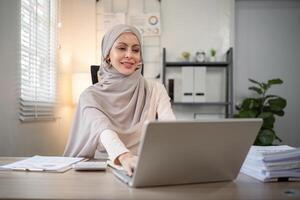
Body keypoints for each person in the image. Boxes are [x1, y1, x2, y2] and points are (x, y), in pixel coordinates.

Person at [63, 24, 175, 176]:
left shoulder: (155, 89)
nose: (129, 55)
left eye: (135, 50)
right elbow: (103, 129)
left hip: (143, 165)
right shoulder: (89, 96)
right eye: (122, 48)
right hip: (104, 167)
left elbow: (171, 128)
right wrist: (124, 156)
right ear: (107, 54)